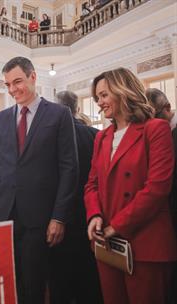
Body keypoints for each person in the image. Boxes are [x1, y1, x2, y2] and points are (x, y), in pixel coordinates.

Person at [0, 57, 78, 303]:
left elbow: (69, 168)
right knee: (4, 285)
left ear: (33, 77)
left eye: (18, 82)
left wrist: (58, 216)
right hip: (2, 216)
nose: (12, 90)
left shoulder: (59, 114)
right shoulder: (0, 119)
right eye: (8, 84)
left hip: (39, 219)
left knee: (33, 287)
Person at [85, 67, 177, 304]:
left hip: (145, 244)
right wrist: (94, 216)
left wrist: (116, 225)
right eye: (97, 98)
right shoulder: (101, 137)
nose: (100, 103)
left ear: (122, 90)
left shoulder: (155, 129)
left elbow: (157, 188)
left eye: (104, 95)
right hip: (107, 243)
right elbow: (91, 184)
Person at [54, 91, 103, 303]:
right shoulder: (95, 135)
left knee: (60, 280)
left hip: (58, 216)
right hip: (89, 213)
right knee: (89, 277)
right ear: (78, 109)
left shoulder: (51, 136)